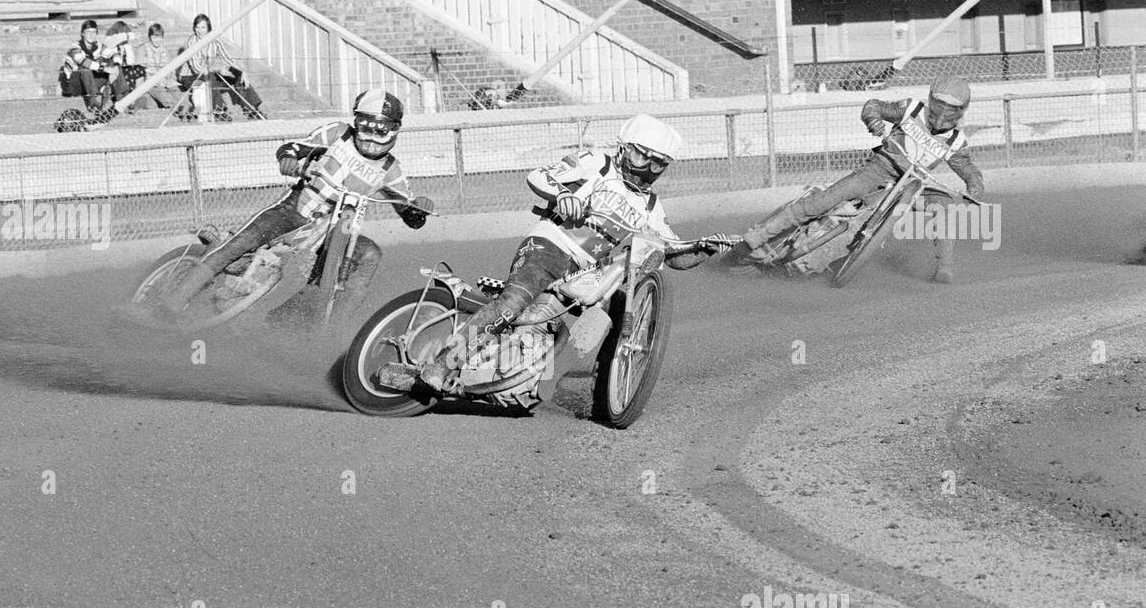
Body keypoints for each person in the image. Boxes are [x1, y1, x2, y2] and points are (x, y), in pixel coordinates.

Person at [390, 114, 732, 394]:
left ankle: (593, 389)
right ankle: (443, 364)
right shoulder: (597, 163)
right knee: (513, 303)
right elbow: (538, 175)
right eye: (642, 156)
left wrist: (704, 247)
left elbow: (674, 253)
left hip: (586, 272)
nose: (647, 169)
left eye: (658, 164)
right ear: (625, 148)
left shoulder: (651, 207)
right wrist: (563, 196)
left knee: (604, 313)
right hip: (549, 247)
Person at [158, 88, 433, 327]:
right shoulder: (338, 134)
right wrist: (289, 159)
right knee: (243, 241)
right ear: (355, 122)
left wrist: (419, 208)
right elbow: (295, 147)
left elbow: (411, 215)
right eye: (365, 124)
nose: (372, 134)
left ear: (394, 129)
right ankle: (169, 305)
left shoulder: (390, 169)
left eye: (381, 128)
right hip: (295, 210)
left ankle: (324, 331)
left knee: (369, 255)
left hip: (336, 232)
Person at [730, 76, 985, 284]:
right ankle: (758, 236)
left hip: (916, 187)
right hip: (880, 169)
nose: (943, 112)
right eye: (940, 103)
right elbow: (874, 105)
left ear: (961, 110)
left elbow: (967, 168)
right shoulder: (910, 109)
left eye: (952, 107)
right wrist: (875, 122)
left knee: (945, 209)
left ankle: (945, 268)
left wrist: (974, 188)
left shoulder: (956, 141)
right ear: (931, 99)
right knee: (821, 203)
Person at [178, 14, 265, 122]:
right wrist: (218, 70)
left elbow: (228, 59)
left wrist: (242, 72)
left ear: (209, 29)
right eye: (197, 27)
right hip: (191, 78)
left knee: (236, 73)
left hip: (208, 75)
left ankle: (252, 109)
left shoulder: (215, 41)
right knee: (209, 76)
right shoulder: (191, 42)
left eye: (203, 27)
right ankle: (219, 110)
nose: (199, 31)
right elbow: (197, 69)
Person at [59, 19, 113, 114]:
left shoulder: (99, 46)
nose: (91, 35)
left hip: (90, 82)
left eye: (94, 32)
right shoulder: (75, 47)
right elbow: (82, 61)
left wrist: (115, 62)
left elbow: (112, 54)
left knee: (114, 70)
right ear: (82, 34)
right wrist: (102, 67)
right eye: (88, 32)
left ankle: (106, 104)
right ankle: (93, 104)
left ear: (97, 34)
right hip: (73, 83)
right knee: (85, 70)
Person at [136, 23, 188, 115]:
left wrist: (169, 79)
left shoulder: (165, 50)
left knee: (177, 93)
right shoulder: (143, 48)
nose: (157, 40)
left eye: (159, 37)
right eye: (154, 37)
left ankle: (186, 111)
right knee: (164, 96)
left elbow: (170, 67)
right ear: (150, 37)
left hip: (165, 80)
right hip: (150, 81)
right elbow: (139, 65)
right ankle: (177, 112)